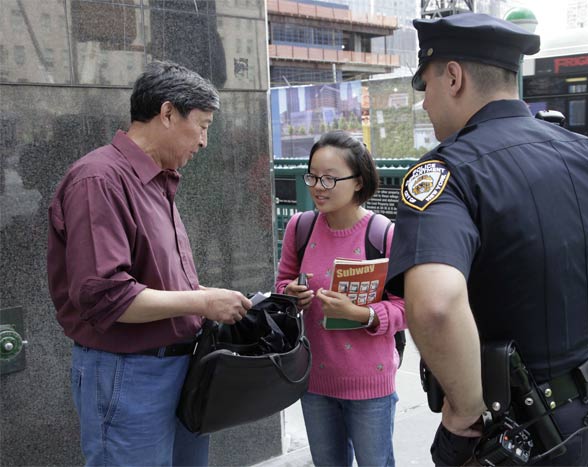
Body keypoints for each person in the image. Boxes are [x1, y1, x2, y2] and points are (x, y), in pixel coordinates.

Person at [385, 12, 588, 466]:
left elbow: (435, 306)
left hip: (508, 436)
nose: (424, 104)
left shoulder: (444, 173)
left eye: (425, 86)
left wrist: (466, 409)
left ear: (452, 77)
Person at [47, 60, 252, 466]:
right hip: (127, 373)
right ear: (168, 113)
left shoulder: (157, 177)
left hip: (175, 369)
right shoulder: (99, 180)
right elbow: (107, 296)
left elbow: (154, 281)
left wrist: (206, 295)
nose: (204, 142)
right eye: (204, 125)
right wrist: (202, 303)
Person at [275, 130, 406, 467]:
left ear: (359, 181)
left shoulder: (383, 234)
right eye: (313, 176)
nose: (318, 187)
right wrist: (290, 295)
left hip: (370, 383)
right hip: (314, 379)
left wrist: (362, 314)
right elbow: (281, 285)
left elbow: (406, 308)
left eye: (330, 179)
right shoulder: (300, 228)